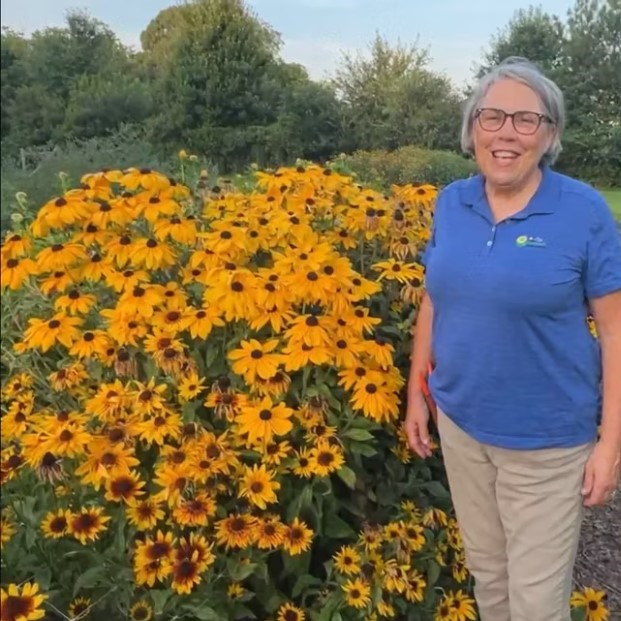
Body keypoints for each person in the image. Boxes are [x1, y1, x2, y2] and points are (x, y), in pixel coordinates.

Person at [405, 56, 621, 621]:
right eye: (492, 116)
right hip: (461, 425)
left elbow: (616, 330)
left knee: (536, 604)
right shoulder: (452, 202)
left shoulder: (584, 212)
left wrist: (610, 443)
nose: (506, 132)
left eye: (527, 120)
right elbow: (434, 298)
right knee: (490, 578)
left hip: (547, 443)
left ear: (549, 135)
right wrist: (415, 395)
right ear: (472, 127)